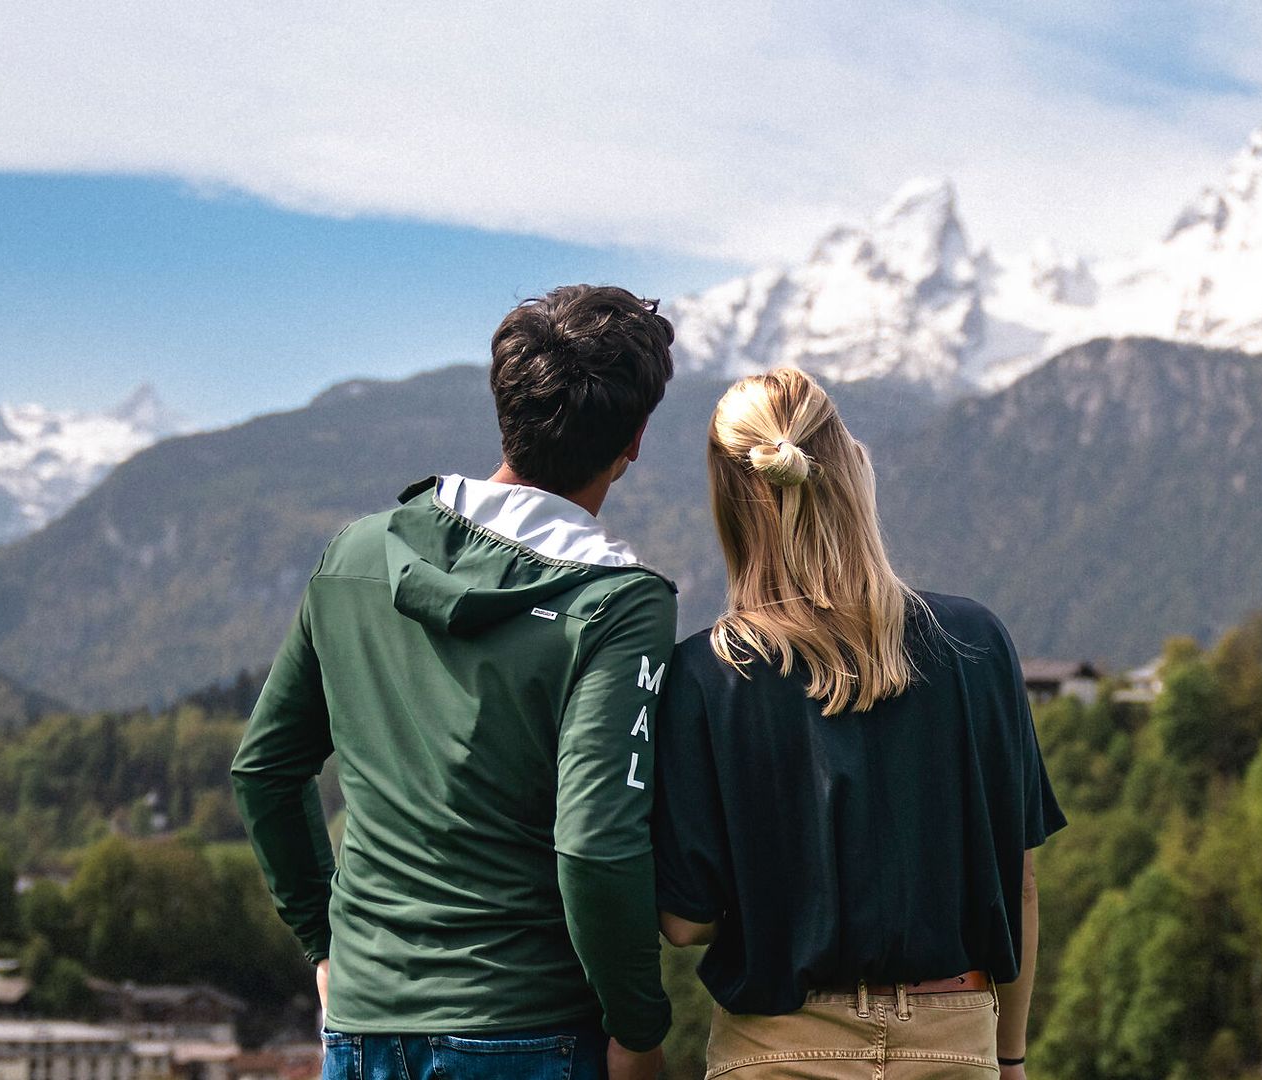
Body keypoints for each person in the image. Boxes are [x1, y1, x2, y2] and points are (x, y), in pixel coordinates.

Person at [232, 284, 679, 1080]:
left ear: (504, 406)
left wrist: (326, 946)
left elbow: (265, 771)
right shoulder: (615, 603)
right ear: (635, 439)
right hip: (528, 1029)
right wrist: (640, 1028)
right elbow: (593, 846)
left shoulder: (357, 556)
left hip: (362, 1028)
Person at [652, 367, 1066, 1078]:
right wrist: (1010, 1058)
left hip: (777, 1049)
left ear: (729, 500)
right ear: (849, 469)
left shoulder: (704, 674)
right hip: (951, 1041)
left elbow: (687, 923)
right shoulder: (976, 642)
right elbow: (1019, 884)